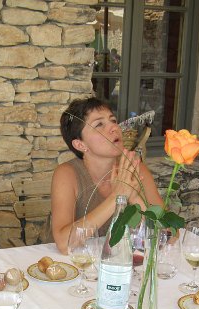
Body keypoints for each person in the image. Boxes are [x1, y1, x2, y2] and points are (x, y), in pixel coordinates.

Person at [51, 97, 163, 254]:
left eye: (113, 120)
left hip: (120, 261)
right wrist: (118, 196)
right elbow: (64, 244)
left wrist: (134, 197)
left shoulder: (136, 168)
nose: (114, 127)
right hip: (71, 262)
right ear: (80, 144)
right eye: (99, 125)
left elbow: (169, 235)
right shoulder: (67, 174)